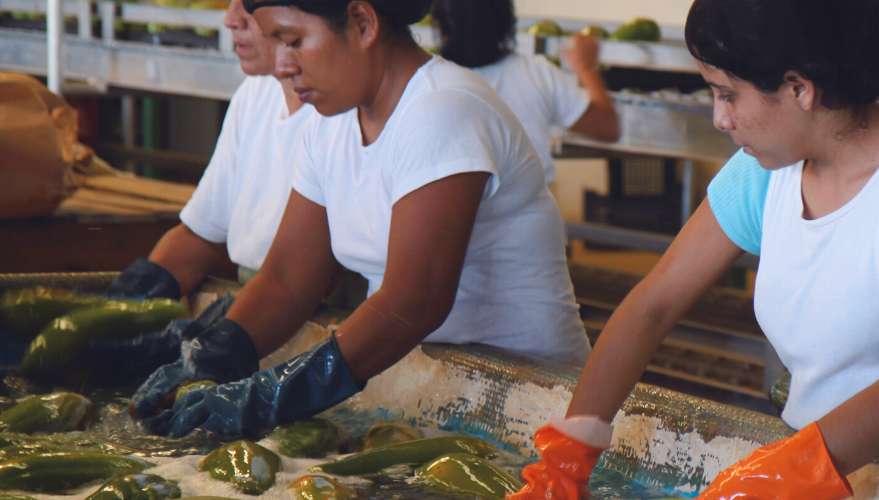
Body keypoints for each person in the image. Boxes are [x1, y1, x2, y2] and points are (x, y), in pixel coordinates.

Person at [509, 1, 879, 498]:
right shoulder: (768, 171)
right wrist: (568, 454)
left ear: (799, 89)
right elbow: (652, 305)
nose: (720, 118)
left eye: (728, 95)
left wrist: (765, 482)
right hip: (813, 474)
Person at [131, 0, 591, 439]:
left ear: (363, 23)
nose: (284, 64)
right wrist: (213, 354)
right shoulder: (328, 123)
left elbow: (414, 302)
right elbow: (289, 278)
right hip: (432, 392)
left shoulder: (443, 110)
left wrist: (274, 394)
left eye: (292, 41)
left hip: (533, 406)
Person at [94, 0, 318, 380]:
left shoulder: (335, 113)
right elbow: (202, 233)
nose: (231, 20)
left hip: (306, 331)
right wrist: (126, 304)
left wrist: (214, 347)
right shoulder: (255, 96)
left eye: (248, 8)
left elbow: (298, 281)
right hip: (259, 327)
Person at [430, 0, 619, 185]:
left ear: (441, 28)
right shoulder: (537, 73)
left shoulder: (430, 84)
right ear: (507, 22)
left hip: (455, 214)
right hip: (534, 212)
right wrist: (586, 67)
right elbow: (607, 127)